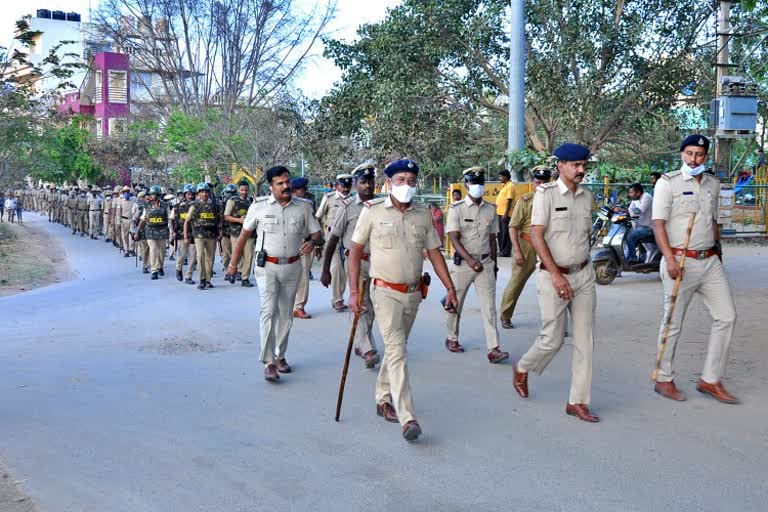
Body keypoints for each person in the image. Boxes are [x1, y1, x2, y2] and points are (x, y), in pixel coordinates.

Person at [348, 158, 459, 442]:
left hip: (413, 294)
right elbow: (356, 250)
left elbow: (434, 252)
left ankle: (382, 398)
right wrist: (351, 292)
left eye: (411, 181)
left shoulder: (422, 215)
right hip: (383, 292)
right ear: (388, 184)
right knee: (397, 350)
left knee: (397, 348)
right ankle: (407, 416)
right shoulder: (372, 212)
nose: (406, 186)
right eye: (400, 180)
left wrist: (450, 287)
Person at [512, 142, 599, 423]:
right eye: (575, 165)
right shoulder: (545, 195)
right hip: (553, 275)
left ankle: (577, 401)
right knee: (553, 339)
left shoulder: (587, 196)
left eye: (583, 164)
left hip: (584, 274)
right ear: (560, 166)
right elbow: (537, 236)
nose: (581, 169)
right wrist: (557, 274)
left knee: (586, 341)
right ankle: (523, 366)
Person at [651, 134, 738, 404]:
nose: (693, 159)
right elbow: (658, 224)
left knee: (727, 317)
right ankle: (663, 378)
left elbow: (714, 221)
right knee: (673, 322)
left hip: (710, 260)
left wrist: (718, 252)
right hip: (680, 260)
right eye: (689, 153)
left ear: (706, 156)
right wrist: (670, 260)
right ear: (681, 154)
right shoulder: (668, 183)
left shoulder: (713, 182)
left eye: (699, 154)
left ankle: (710, 379)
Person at [227, 166, 324, 382]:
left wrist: (312, 242)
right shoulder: (259, 207)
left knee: (286, 314)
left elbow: (318, 233)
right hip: (267, 267)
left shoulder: (303, 208)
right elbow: (244, 236)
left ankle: (281, 355)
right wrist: (233, 264)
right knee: (268, 311)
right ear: (271, 186)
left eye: (287, 181)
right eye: (280, 183)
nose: (286, 186)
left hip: (292, 266)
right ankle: (269, 361)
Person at [443, 166, 508, 363]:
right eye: (473, 183)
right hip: (464, 263)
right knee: (455, 302)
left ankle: (493, 348)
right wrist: (470, 261)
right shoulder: (457, 209)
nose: (477, 186)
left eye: (480, 183)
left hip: (486, 262)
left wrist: (494, 266)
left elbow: (493, 239)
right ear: (466, 185)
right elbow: (454, 238)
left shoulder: (491, 208)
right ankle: (451, 338)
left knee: (489, 308)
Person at [321, 163, 381, 368]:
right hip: (356, 262)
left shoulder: (381, 205)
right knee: (360, 303)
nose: (368, 186)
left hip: (378, 262)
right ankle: (368, 348)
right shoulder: (346, 207)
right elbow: (333, 240)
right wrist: (325, 270)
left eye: (370, 181)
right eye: (363, 182)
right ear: (355, 184)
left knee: (372, 307)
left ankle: (360, 341)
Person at [500, 165, 552, 329]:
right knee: (517, 280)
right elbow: (513, 227)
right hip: (527, 244)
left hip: (549, 245)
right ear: (532, 182)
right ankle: (505, 315)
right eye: (538, 182)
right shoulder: (525, 201)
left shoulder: (555, 201)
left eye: (545, 182)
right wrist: (517, 251)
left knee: (554, 283)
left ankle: (555, 321)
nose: (541, 185)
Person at [316, 174, 353, 312]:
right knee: (336, 267)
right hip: (332, 238)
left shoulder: (354, 200)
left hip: (349, 238)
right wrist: (320, 237)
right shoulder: (329, 198)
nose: (345, 189)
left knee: (350, 268)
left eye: (348, 186)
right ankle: (337, 299)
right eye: (343, 186)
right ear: (337, 185)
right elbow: (318, 217)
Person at [291, 177, 319, 318]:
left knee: (304, 275)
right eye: (304, 189)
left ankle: (299, 306)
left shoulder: (310, 202)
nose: (306, 191)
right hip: (288, 244)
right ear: (295, 191)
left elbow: (316, 223)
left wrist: (317, 243)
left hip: (306, 243)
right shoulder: (286, 203)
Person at [184, 182, 221, 290]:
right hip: (199, 235)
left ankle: (208, 279)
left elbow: (219, 220)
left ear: (209, 193)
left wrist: (221, 232)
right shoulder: (194, 205)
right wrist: (186, 236)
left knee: (210, 258)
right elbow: (187, 221)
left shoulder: (215, 205)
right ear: (198, 194)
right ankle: (202, 279)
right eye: (202, 192)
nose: (204, 194)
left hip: (212, 235)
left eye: (206, 192)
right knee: (200, 257)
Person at [224, 180, 257, 287]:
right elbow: (226, 216)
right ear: (238, 190)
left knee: (249, 255)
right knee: (236, 254)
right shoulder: (232, 201)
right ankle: (232, 272)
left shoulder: (252, 201)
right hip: (236, 232)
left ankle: (245, 277)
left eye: (246, 190)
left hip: (250, 233)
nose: (244, 192)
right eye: (242, 190)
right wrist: (239, 220)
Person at [135, 186, 171, 280]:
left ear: (158, 195)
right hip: (150, 231)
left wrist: (172, 231)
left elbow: (170, 219)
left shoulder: (165, 205)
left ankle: (160, 266)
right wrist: (137, 231)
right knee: (153, 249)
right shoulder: (146, 206)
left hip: (162, 231)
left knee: (161, 251)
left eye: (153, 194)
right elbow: (143, 219)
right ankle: (154, 270)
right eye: (151, 194)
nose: (152, 196)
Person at [612, 183, 653, 264]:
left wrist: (622, 210)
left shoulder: (646, 197)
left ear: (638, 193)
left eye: (631, 192)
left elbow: (640, 211)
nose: (630, 195)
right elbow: (630, 211)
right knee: (627, 234)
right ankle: (628, 257)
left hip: (648, 227)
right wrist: (620, 211)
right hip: (639, 226)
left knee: (630, 236)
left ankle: (633, 259)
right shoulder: (635, 200)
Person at [171, 184, 198, 284]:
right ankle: (179, 269)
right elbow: (172, 220)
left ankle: (188, 276)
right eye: (188, 194)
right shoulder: (177, 207)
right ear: (185, 195)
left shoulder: (197, 206)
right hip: (181, 234)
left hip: (194, 234)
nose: (190, 196)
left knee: (193, 256)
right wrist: (173, 231)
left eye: (192, 194)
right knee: (182, 255)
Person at [496, 169, 516, 257]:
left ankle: (505, 252)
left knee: (505, 234)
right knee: (500, 233)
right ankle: (501, 250)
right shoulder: (504, 186)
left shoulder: (510, 186)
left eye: (501, 176)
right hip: (500, 213)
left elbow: (509, 200)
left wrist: (506, 213)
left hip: (505, 214)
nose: (499, 178)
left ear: (505, 177)